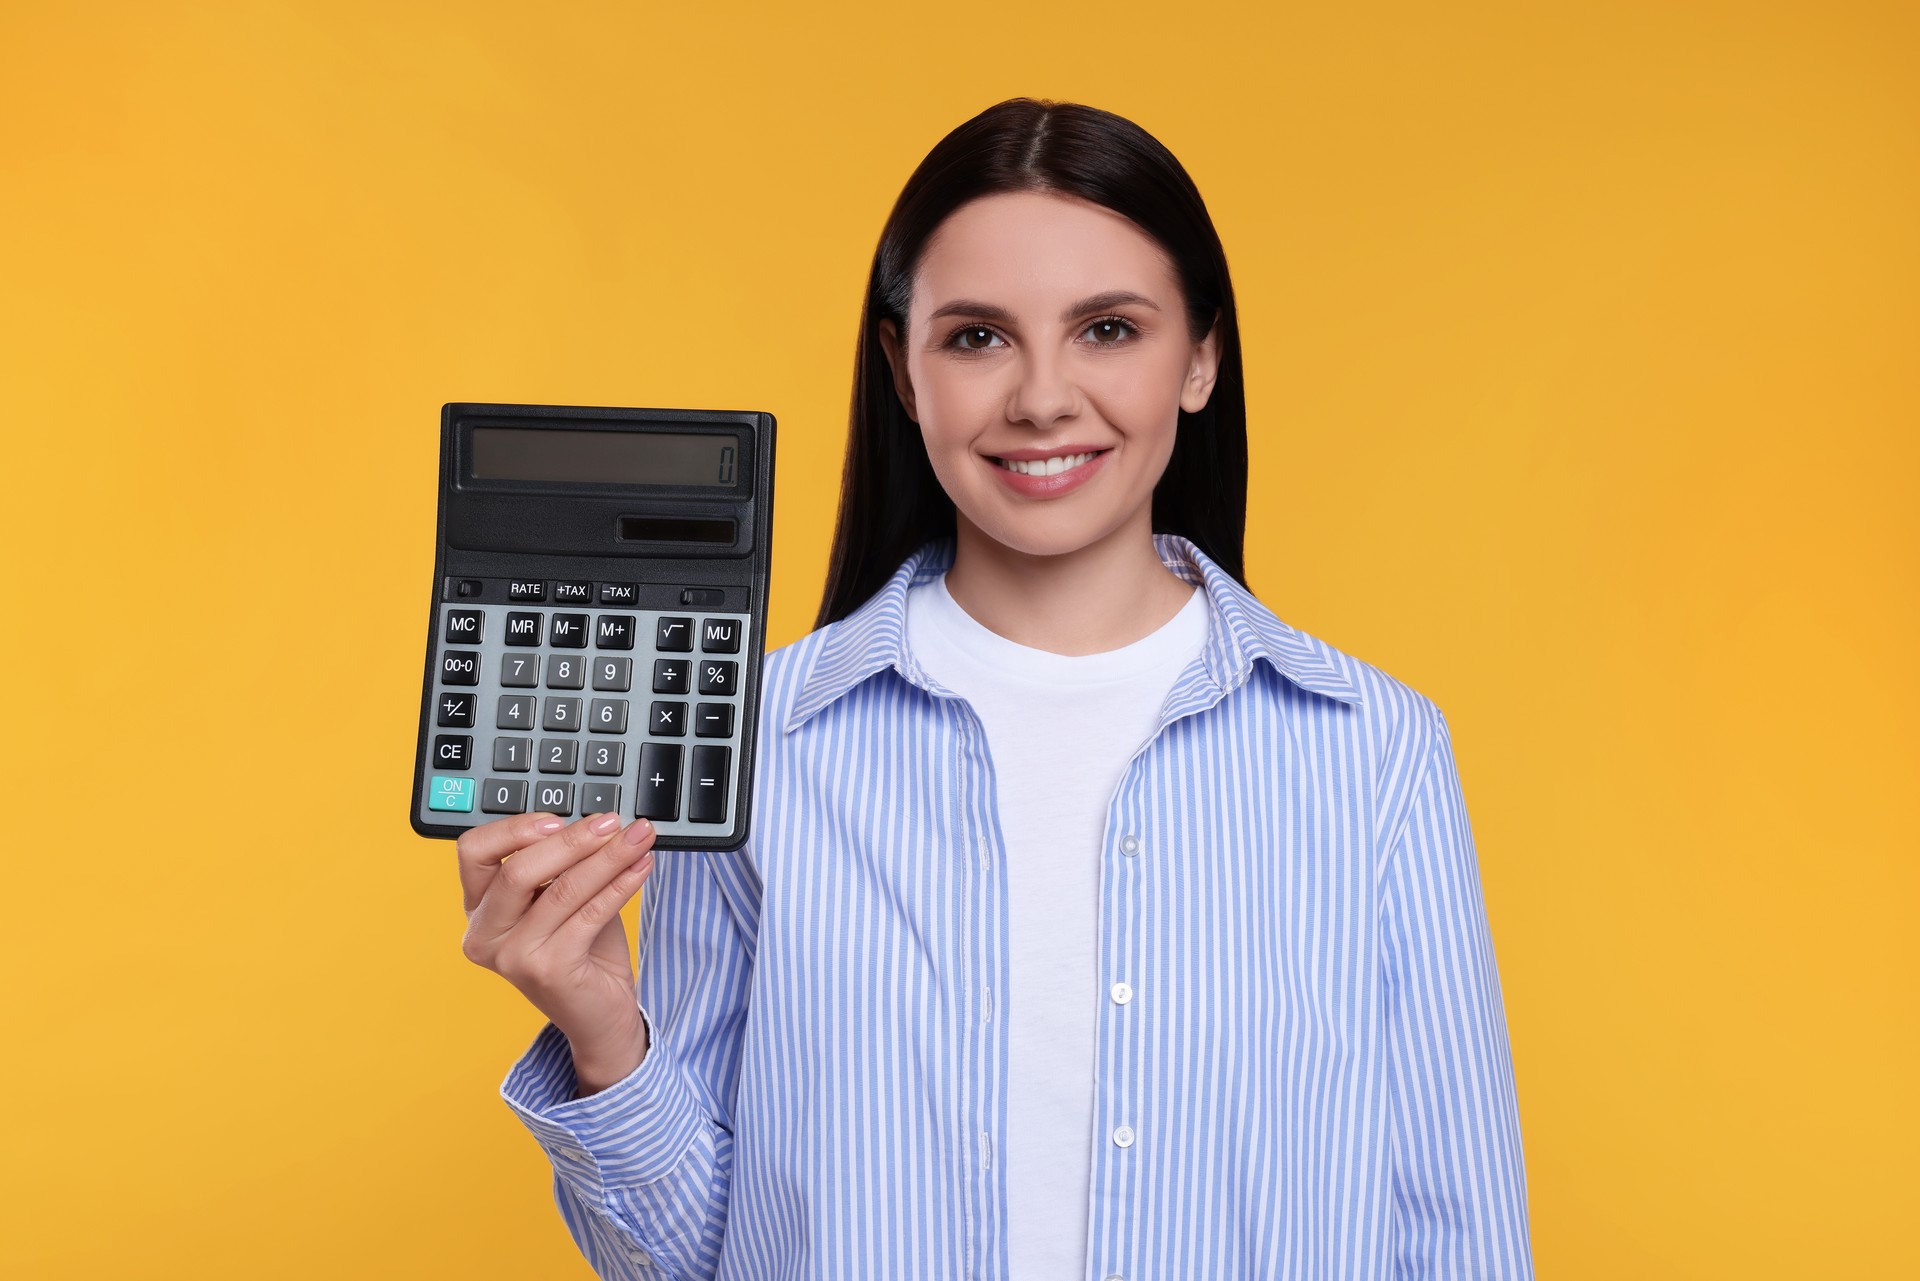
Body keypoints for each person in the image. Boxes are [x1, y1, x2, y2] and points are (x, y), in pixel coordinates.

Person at [457, 98, 1534, 1280]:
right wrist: (607, 1040)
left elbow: (1461, 1229)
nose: (1041, 399)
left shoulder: (1373, 747)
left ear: (1202, 357)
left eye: (1109, 329)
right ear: (903, 371)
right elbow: (701, 1260)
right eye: (977, 338)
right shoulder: (759, 743)